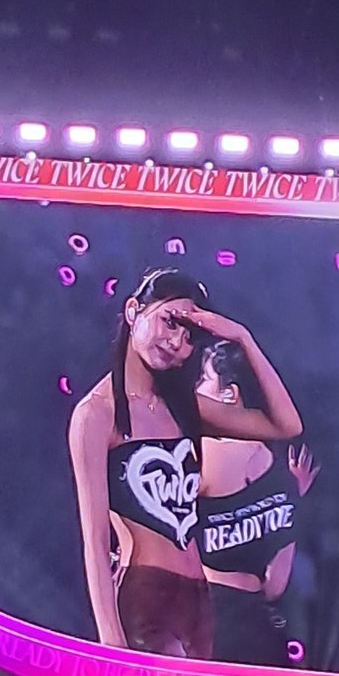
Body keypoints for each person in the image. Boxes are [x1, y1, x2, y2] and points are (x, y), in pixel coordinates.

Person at [68, 269, 302, 656]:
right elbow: (94, 538)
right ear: (133, 311)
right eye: (170, 322)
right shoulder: (96, 414)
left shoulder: (182, 407)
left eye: (190, 336)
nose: (177, 341)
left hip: (200, 601)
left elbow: (286, 425)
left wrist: (242, 337)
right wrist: (111, 645)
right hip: (146, 595)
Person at [194, 341, 319, 660]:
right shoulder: (281, 475)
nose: (196, 391)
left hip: (206, 623)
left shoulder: (198, 456)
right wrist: (294, 500)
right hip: (257, 629)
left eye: (204, 379)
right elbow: (274, 586)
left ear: (229, 394)